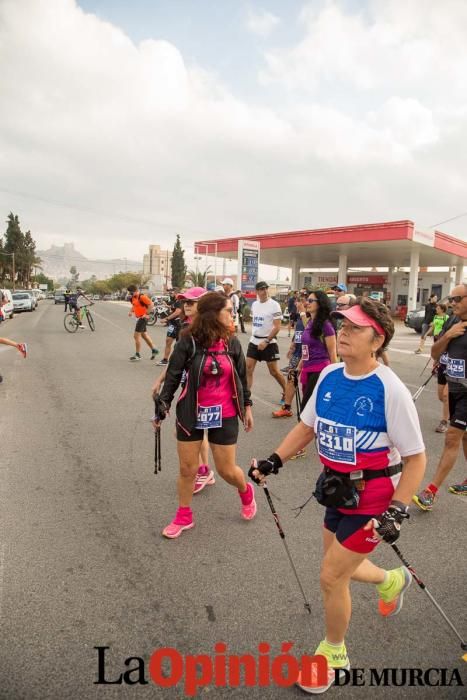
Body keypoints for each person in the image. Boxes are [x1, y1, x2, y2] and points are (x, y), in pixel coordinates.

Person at [250, 298, 426, 694]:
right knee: (338, 567)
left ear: (376, 339)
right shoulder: (330, 375)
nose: (343, 332)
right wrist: (274, 459)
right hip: (335, 490)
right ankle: (392, 580)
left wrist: (398, 510)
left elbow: (416, 458)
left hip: (375, 496)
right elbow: (307, 427)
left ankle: (334, 653)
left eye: (354, 328)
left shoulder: (389, 389)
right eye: (341, 326)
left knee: (330, 576)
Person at [155, 292, 255, 538]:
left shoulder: (232, 342)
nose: (233, 315)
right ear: (213, 314)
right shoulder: (187, 342)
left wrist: (248, 406)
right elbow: (174, 375)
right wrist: (163, 404)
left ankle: (245, 491)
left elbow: (241, 377)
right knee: (188, 469)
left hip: (226, 412)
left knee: (226, 470)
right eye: (229, 311)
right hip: (191, 412)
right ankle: (184, 515)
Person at [151, 287, 214, 495]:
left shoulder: (211, 329)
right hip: (188, 385)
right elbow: (177, 360)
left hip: (205, 388)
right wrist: (161, 379)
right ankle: (204, 470)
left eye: (191, 302)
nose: (186, 305)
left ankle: (204, 470)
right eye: (184, 301)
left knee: (191, 429)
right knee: (190, 429)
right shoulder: (184, 326)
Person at [413, 285, 467, 509]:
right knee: (464, 438)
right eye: (451, 298)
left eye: (457, 298)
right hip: (455, 388)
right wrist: (448, 336)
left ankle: (431, 491)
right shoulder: (453, 322)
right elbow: (435, 352)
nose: (452, 302)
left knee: (452, 436)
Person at [246, 281, 287, 403]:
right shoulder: (254, 305)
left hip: (269, 342)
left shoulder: (274, 305)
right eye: (261, 289)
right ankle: (246, 395)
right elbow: (256, 323)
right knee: (248, 369)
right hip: (254, 341)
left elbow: (277, 327)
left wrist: (266, 341)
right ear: (257, 291)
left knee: (273, 371)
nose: (264, 291)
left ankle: (286, 392)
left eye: (266, 288)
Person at [299, 290, 337, 410]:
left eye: (311, 301)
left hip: (319, 370)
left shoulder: (326, 325)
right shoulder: (310, 322)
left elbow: (332, 353)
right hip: (308, 368)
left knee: (306, 408)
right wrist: (299, 367)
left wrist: (335, 377)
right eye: (307, 301)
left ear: (320, 303)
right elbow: (306, 348)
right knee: (308, 407)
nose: (307, 303)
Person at [127, 284, 158, 361]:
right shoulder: (133, 298)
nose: (130, 294)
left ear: (136, 291)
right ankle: (154, 350)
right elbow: (134, 305)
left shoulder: (142, 297)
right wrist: (131, 311)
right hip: (138, 318)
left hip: (143, 318)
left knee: (136, 336)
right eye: (130, 293)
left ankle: (138, 355)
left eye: (131, 292)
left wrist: (146, 314)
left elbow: (151, 304)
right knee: (144, 335)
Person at [157, 292, 183, 366]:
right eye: (170, 293)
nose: (171, 294)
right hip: (172, 324)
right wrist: (167, 306)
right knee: (168, 341)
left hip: (179, 325)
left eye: (172, 293)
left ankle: (178, 361)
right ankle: (165, 360)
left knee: (178, 344)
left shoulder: (180, 301)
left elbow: (178, 311)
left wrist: (166, 318)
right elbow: (173, 309)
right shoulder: (174, 301)